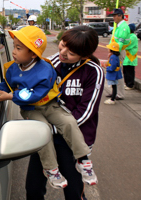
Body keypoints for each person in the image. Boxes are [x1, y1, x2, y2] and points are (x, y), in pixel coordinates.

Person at [0, 26, 97, 189]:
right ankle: (51, 169)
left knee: (69, 122)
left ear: (33, 53)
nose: (62, 53)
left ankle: (83, 159)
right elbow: (7, 84)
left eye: (18, 48)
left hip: (51, 106)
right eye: (63, 45)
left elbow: (35, 94)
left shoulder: (46, 68)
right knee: (43, 131)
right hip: (31, 110)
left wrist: (11, 96)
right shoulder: (14, 68)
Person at [25, 26, 104, 200]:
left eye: (72, 52)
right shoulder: (50, 63)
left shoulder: (93, 71)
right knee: (33, 187)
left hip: (72, 139)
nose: (64, 52)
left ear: (84, 55)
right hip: (45, 136)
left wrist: (54, 128)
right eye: (63, 44)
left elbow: (86, 111)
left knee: (73, 191)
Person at [107, 8, 131, 100]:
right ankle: (115, 92)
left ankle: (119, 94)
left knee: (117, 72)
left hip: (118, 52)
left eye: (114, 16)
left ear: (120, 16)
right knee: (115, 72)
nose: (113, 18)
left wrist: (114, 54)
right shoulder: (119, 26)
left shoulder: (123, 27)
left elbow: (120, 43)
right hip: (115, 52)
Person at [123, 23, 138, 90]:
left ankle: (130, 85)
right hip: (127, 57)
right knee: (125, 71)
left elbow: (127, 45)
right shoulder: (129, 36)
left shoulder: (133, 37)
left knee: (129, 72)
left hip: (130, 57)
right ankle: (127, 84)